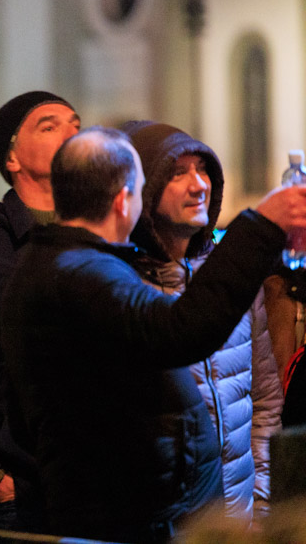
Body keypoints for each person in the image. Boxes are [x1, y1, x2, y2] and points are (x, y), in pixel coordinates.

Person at [0, 126, 306, 543]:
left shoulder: (60, 264)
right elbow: (182, 332)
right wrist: (261, 225)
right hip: (129, 521)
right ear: (126, 199)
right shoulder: (86, 273)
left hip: (146, 513)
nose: (197, 185)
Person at [123, 120, 283, 523]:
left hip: (242, 515)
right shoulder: (123, 285)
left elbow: (263, 399)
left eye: (203, 169)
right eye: (178, 173)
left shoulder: (231, 272)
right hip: (172, 522)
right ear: (143, 187)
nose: (199, 184)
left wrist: (261, 497)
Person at [0, 91, 80, 529]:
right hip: (21, 485)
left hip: (89, 479)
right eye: (49, 125)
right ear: (13, 159)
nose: (71, 132)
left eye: (75, 124)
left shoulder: (98, 231)